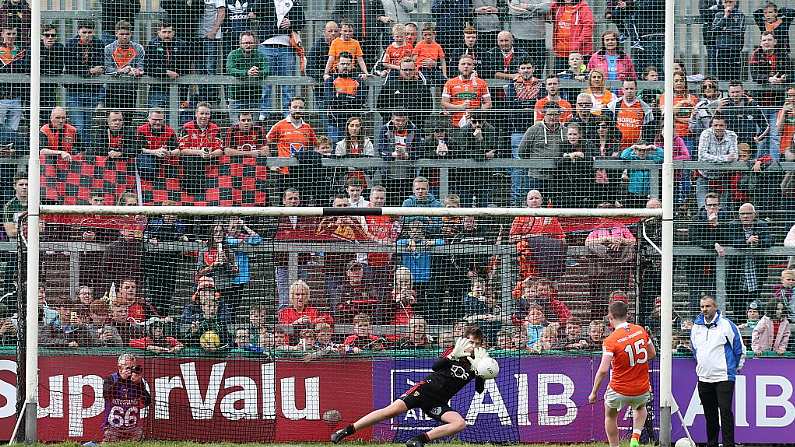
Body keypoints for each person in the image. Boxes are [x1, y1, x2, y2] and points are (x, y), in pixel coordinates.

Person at [331, 326, 488, 447]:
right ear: (464, 341)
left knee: (459, 423)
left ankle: (418, 440)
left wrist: (481, 372)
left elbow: (479, 390)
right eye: (471, 342)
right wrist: (452, 355)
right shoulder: (454, 351)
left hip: (437, 402)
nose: (473, 346)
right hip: (423, 390)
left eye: (477, 343)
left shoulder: (479, 361)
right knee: (389, 411)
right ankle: (346, 431)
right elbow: (436, 367)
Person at [588, 301, 656, 447]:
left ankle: (615, 446)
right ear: (627, 315)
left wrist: (594, 393)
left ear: (610, 317)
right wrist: (635, 362)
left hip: (619, 389)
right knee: (640, 407)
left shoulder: (610, 340)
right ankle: (635, 438)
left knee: (610, 416)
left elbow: (603, 369)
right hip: (641, 389)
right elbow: (652, 353)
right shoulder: (640, 330)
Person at [690, 295, 745, 447]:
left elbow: (739, 348)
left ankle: (729, 444)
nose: (704, 310)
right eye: (702, 307)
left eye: (707, 306)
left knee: (725, 411)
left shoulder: (726, 325)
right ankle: (712, 443)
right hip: (704, 378)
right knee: (710, 414)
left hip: (723, 376)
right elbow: (695, 349)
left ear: (715, 306)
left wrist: (734, 369)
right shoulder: (696, 327)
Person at [101, 354, 151, 442]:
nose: (131, 371)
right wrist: (121, 379)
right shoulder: (111, 379)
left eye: (133, 368)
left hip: (133, 429)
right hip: (112, 428)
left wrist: (139, 384)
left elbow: (147, 401)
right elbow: (106, 395)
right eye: (128, 368)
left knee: (139, 436)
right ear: (120, 368)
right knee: (110, 438)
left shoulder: (137, 381)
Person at [225, 31, 269, 123]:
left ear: (255, 43)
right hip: (236, 97)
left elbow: (267, 70)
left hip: (254, 97)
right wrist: (246, 73)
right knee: (236, 126)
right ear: (240, 43)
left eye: (250, 43)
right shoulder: (233, 54)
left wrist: (258, 72)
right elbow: (230, 69)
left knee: (254, 127)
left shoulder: (260, 55)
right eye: (245, 43)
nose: (248, 45)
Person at [710, 0, 746, 81]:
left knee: (735, 75)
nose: (728, 4)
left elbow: (740, 32)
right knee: (722, 75)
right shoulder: (719, 15)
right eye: (726, 2)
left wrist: (724, 29)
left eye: (731, 2)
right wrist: (725, 17)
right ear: (723, 3)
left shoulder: (740, 15)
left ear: (735, 3)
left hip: (735, 49)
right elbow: (714, 30)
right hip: (722, 48)